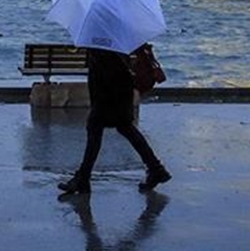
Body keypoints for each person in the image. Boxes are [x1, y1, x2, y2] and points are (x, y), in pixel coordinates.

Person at [58, 47, 171, 195]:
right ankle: (156, 169)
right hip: (117, 89)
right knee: (124, 128)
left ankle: (83, 178)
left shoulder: (101, 43)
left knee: (97, 128)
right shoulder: (114, 38)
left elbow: (107, 67)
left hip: (109, 92)